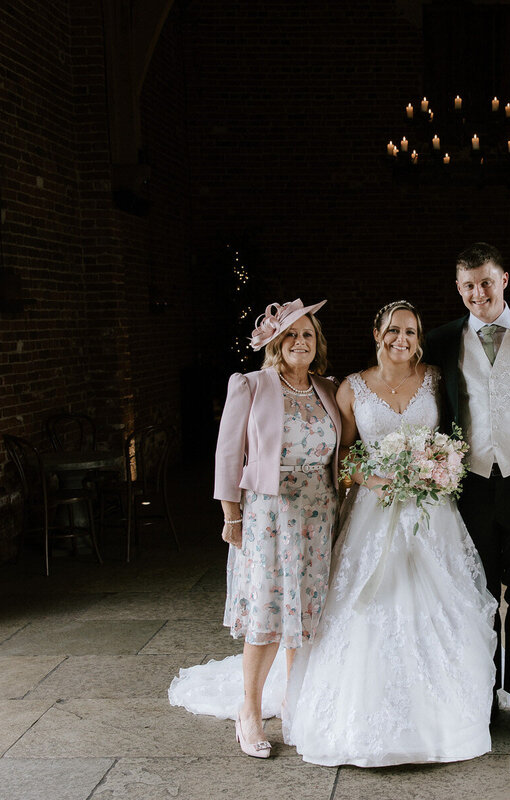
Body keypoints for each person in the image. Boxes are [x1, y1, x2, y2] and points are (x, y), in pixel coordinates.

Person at [283, 300, 497, 767]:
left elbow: (457, 438)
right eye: (395, 331)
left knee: (440, 606)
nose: (403, 340)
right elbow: (342, 458)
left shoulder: (438, 381)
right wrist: (370, 478)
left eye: (412, 332)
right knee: (369, 608)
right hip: (374, 512)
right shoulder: (350, 388)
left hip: (430, 512)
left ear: (420, 339)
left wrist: (441, 466)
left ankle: (446, 717)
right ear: (377, 333)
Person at [168, 298, 341, 760]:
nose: (299, 342)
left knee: (303, 610)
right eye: (290, 335)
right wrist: (231, 517)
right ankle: (249, 709)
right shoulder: (250, 385)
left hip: (319, 511)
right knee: (267, 611)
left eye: (307, 334)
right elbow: (228, 457)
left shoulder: (329, 388)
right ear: (275, 342)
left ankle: (291, 700)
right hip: (270, 514)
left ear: (316, 342)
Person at [424, 243, 510, 737]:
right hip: (470, 488)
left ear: (504, 279)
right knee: (476, 596)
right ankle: (481, 695)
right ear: (458, 289)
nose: (477, 293)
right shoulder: (440, 341)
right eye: (467, 285)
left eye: (486, 281)